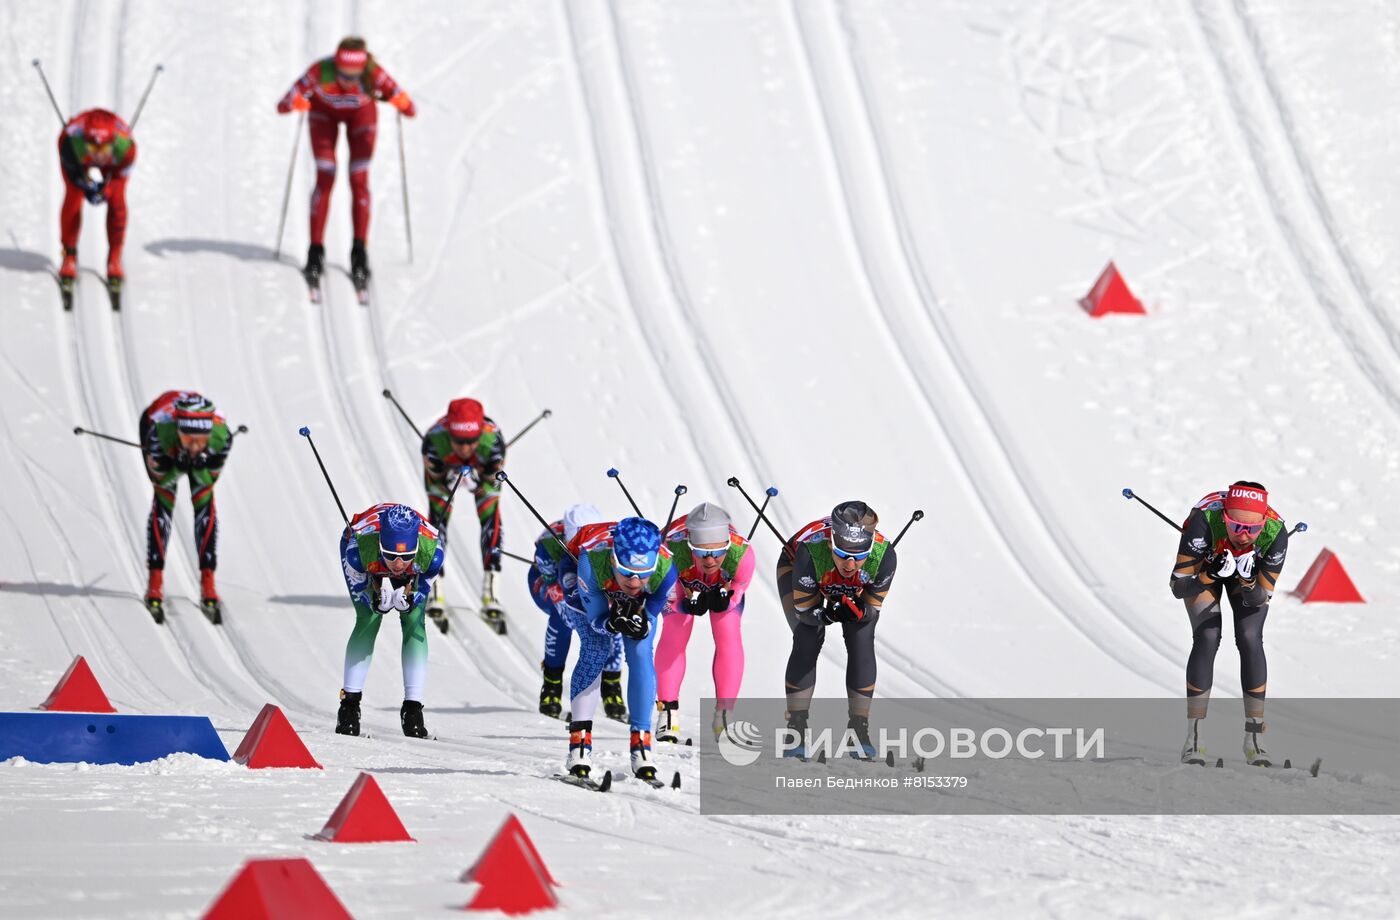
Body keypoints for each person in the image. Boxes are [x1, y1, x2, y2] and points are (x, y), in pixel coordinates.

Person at [276, 36, 415, 289]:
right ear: (336, 64)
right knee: (325, 176)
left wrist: (401, 101)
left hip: (361, 117)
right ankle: (315, 252)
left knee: (359, 180)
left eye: (355, 75)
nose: (348, 80)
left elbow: (408, 105)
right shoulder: (321, 71)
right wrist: (294, 103)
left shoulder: (374, 74)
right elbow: (283, 104)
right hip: (323, 116)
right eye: (343, 73)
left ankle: (359, 253)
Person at [1169, 481, 1290, 766]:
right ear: (1224, 517)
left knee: (1249, 636)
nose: (1243, 536)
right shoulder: (1205, 520)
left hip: (1246, 576)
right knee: (1208, 635)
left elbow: (1259, 597)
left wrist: (1248, 580)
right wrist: (1209, 574)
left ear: (1264, 523)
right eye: (1235, 527)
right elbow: (1178, 586)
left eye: (1252, 529)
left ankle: (1255, 738)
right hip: (1205, 566)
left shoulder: (1275, 533)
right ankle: (1194, 739)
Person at [777, 500, 897, 759]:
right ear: (832, 543)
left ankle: (859, 728)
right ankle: (796, 727)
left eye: (859, 556)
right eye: (843, 554)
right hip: (796, 565)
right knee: (808, 636)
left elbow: (871, 611)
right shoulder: (811, 552)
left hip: (848, 584)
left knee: (861, 636)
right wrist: (826, 613)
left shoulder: (884, 556)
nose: (850, 565)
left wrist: (859, 610)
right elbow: (806, 614)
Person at [567, 518, 677, 781]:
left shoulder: (666, 569)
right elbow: (595, 618)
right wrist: (611, 620)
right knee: (596, 648)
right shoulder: (591, 561)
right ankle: (578, 746)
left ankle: (642, 746)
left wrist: (640, 619)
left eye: (643, 574)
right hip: (586, 582)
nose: (636, 581)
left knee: (640, 653)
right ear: (615, 561)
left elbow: (649, 613)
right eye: (628, 572)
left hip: (623, 594)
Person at [337, 502, 444, 739]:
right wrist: (374, 598)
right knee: (369, 618)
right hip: (366, 556)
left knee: (414, 619)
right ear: (380, 547)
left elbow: (419, 590)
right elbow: (366, 588)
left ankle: (413, 709)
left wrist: (411, 596)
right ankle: (349, 707)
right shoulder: (358, 551)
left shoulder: (432, 554)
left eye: (405, 557)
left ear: (416, 548)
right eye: (391, 556)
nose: (397, 565)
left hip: (399, 559)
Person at [654, 502, 754, 743]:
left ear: (727, 546)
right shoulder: (668, 550)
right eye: (701, 553)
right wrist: (684, 605)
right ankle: (667, 712)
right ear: (690, 546)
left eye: (718, 552)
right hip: (681, 583)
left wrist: (725, 600)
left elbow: (738, 588)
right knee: (675, 631)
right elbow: (667, 595)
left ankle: (725, 714)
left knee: (727, 632)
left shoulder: (743, 554)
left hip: (720, 584)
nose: (710, 560)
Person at [139, 392, 233, 619]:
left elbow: (208, 483)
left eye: (201, 440)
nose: (194, 445)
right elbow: (160, 481)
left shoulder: (222, 439)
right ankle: (155, 581)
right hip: (155, 420)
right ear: (178, 432)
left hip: (179, 439)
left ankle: (208, 582)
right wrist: (176, 466)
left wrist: (198, 465)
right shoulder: (158, 435)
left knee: (204, 505)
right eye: (188, 439)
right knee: (163, 505)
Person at [527, 504, 626, 720]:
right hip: (547, 582)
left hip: (590, 582)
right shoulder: (549, 544)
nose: (581, 547)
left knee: (615, 618)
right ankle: (551, 688)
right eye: (575, 542)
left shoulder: (609, 541)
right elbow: (556, 585)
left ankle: (612, 687)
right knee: (562, 613)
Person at [421, 397, 506, 626]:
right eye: (458, 441)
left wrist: (478, 481)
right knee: (436, 524)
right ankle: (435, 589)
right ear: (449, 433)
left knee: (492, 519)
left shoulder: (493, 441)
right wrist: (448, 478)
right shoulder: (434, 440)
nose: (465, 448)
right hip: (443, 474)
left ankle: (492, 593)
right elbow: (435, 477)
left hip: (481, 471)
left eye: (471, 441)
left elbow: (491, 479)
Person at [57, 109, 136, 286]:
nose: (98, 155)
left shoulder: (126, 148)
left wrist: (106, 191)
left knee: (117, 201)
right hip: (79, 158)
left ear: (113, 143)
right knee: (74, 196)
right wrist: (85, 184)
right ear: (85, 143)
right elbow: (74, 177)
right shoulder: (69, 143)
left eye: (103, 149)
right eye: (93, 148)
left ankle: (114, 258)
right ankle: (69, 255)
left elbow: (117, 184)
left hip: (113, 162)